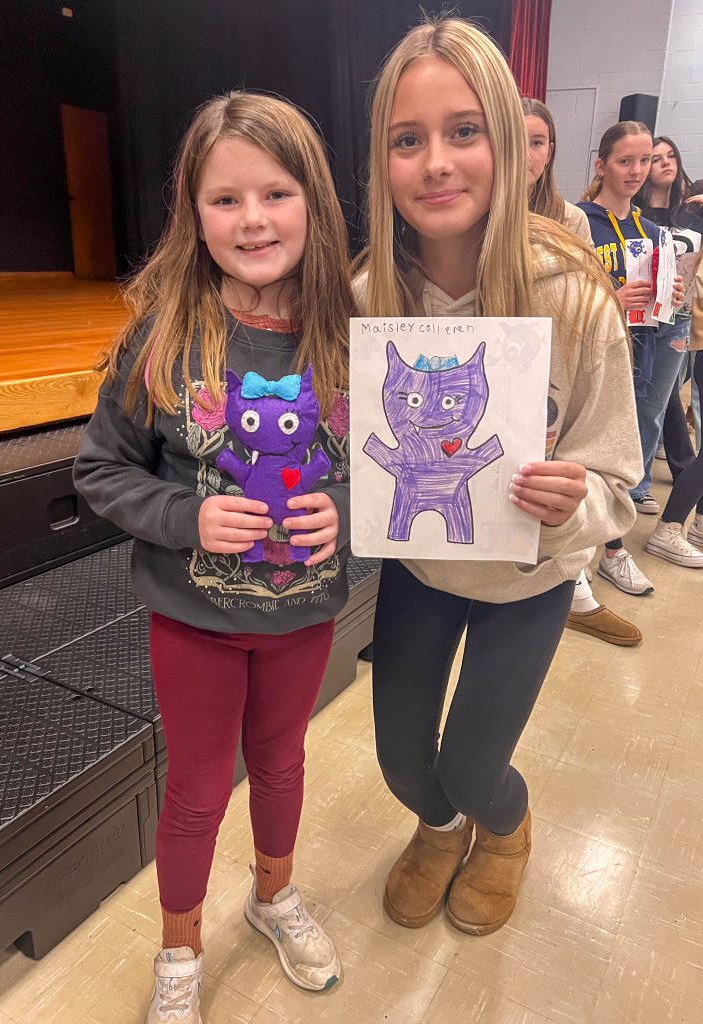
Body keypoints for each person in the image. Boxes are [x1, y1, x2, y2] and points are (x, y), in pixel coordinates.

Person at [355, 16, 642, 938]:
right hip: (423, 567)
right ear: (383, 160)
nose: (436, 162)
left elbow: (619, 481)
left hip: (531, 575)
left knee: (478, 764)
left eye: (464, 131)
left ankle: (502, 832)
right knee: (404, 762)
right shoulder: (367, 298)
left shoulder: (574, 289)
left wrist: (576, 500)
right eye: (409, 139)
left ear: (513, 149)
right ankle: (439, 831)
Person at [74, 92, 354, 1024]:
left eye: (275, 193)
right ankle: (180, 947)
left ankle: (271, 896)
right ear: (192, 214)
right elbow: (100, 471)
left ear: (312, 199)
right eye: (225, 200)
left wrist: (342, 513)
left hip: (303, 616)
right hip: (191, 621)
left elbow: (389, 473)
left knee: (282, 765)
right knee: (196, 791)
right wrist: (188, 518)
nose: (253, 220)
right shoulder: (162, 336)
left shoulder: (350, 339)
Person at [523, 97, 641, 645]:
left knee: (559, 474)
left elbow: (583, 293)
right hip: (498, 360)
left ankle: (578, 584)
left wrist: (612, 301)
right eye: (516, 137)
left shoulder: (566, 218)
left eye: (539, 141)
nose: (527, 152)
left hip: (553, 360)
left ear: (551, 152)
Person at [578, 123, 686, 593]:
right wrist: (611, 299)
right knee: (586, 447)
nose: (638, 171)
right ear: (601, 165)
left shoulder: (651, 228)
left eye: (644, 161)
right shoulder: (579, 221)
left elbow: (657, 301)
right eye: (626, 161)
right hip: (590, 351)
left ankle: (614, 550)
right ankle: (581, 552)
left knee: (633, 442)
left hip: (643, 347)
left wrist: (671, 292)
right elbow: (563, 299)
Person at [634, 137, 703, 566]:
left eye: (667, 157)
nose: (662, 164)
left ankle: (639, 486)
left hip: (679, 318)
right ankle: (631, 485)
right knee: (634, 401)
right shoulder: (636, 212)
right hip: (640, 318)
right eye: (652, 159)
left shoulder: (693, 211)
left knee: (659, 405)